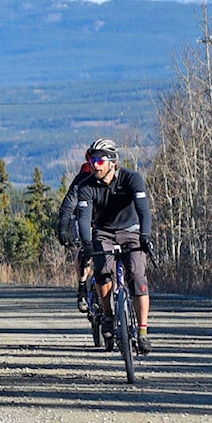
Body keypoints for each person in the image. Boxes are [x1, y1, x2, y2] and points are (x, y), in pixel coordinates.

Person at [76, 138, 154, 355]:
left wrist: (145, 236)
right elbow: (84, 218)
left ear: (112, 162)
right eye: (92, 160)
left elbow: (144, 210)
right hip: (103, 232)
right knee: (102, 274)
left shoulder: (132, 179)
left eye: (100, 160)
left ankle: (143, 332)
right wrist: (87, 243)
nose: (95, 165)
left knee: (138, 277)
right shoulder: (86, 186)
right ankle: (109, 315)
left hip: (131, 231)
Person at [57, 150, 95, 313]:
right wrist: (63, 229)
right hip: (82, 217)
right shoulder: (82, 180)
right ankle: (82, 288)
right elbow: (67, 207)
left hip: (105, 218)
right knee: (84, 249)